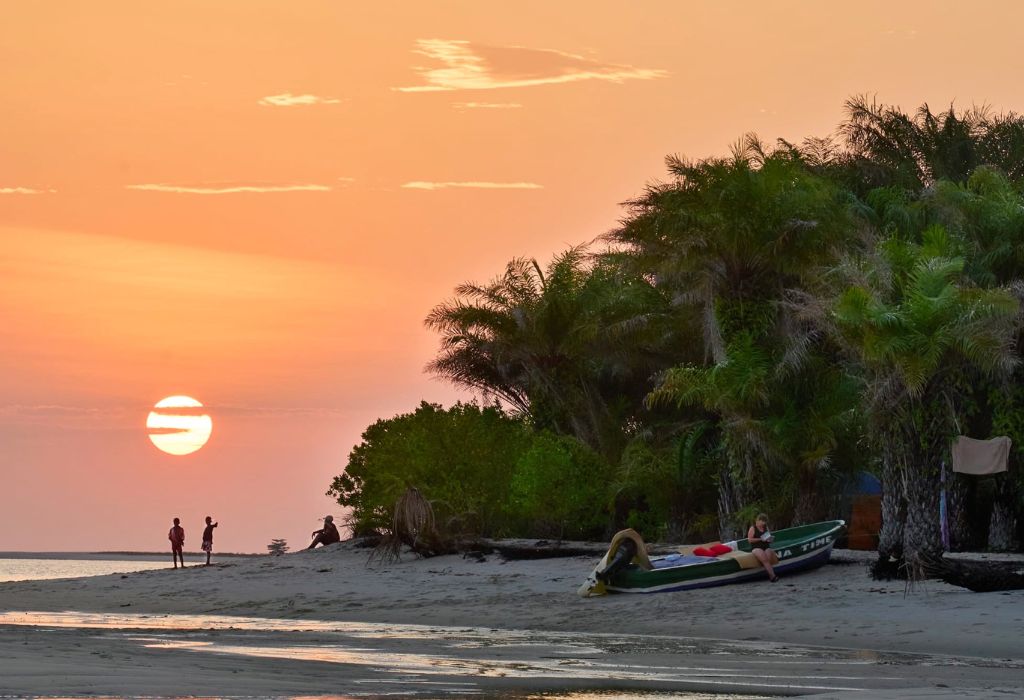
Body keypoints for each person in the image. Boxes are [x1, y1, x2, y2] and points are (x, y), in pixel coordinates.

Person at [747, 512, 779, 582]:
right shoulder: (753, 528)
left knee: (768, 558)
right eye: (762, 522)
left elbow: (768, 536)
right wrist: (760, 539)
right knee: (764, 559)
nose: (763, 524)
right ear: (759, 520)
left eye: (764, 523)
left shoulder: (765, 527)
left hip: (766, 545)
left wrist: (770, 539)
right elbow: (750, 540)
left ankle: (770, 575)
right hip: (756, 547)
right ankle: (773, 576)